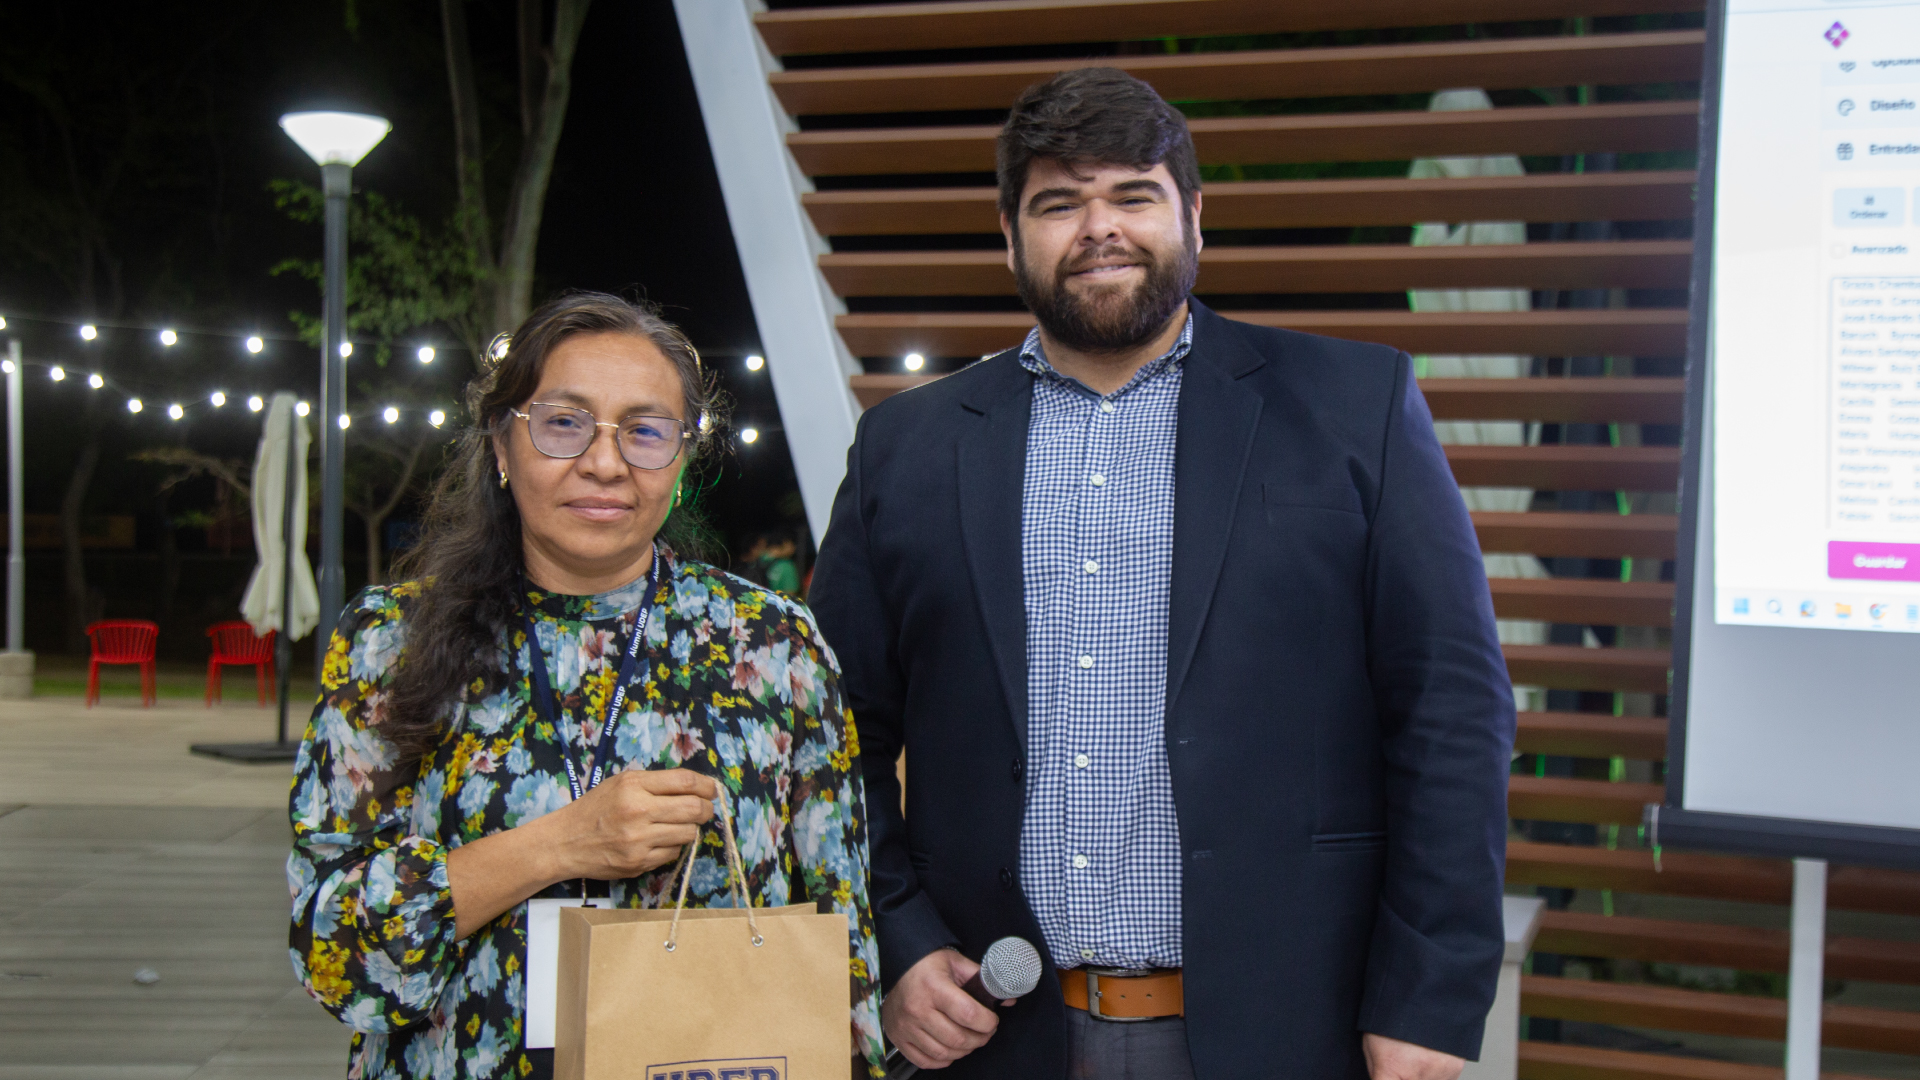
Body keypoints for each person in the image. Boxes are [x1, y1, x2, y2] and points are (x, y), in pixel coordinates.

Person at [808, 69, 1514, 1080]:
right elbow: (835, 732)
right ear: (1009, 236)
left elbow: (1451, 710)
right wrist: (897, 937)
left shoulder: (1355, 409)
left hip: (1291, 1031)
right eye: (1059, 203)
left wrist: (1430, 996)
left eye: (1133, 194)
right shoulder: (904, 450)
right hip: (989, 1034)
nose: (1099, 227)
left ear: (1193, 217)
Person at [287, 293, 886, 1079]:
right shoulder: (389, 641)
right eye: (564, 423)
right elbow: (333, 955)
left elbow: (842, 935)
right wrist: (562, 843)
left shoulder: (772, 644)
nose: (605, 463)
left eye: (645, 431)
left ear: (681, 460)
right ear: (502, 446)